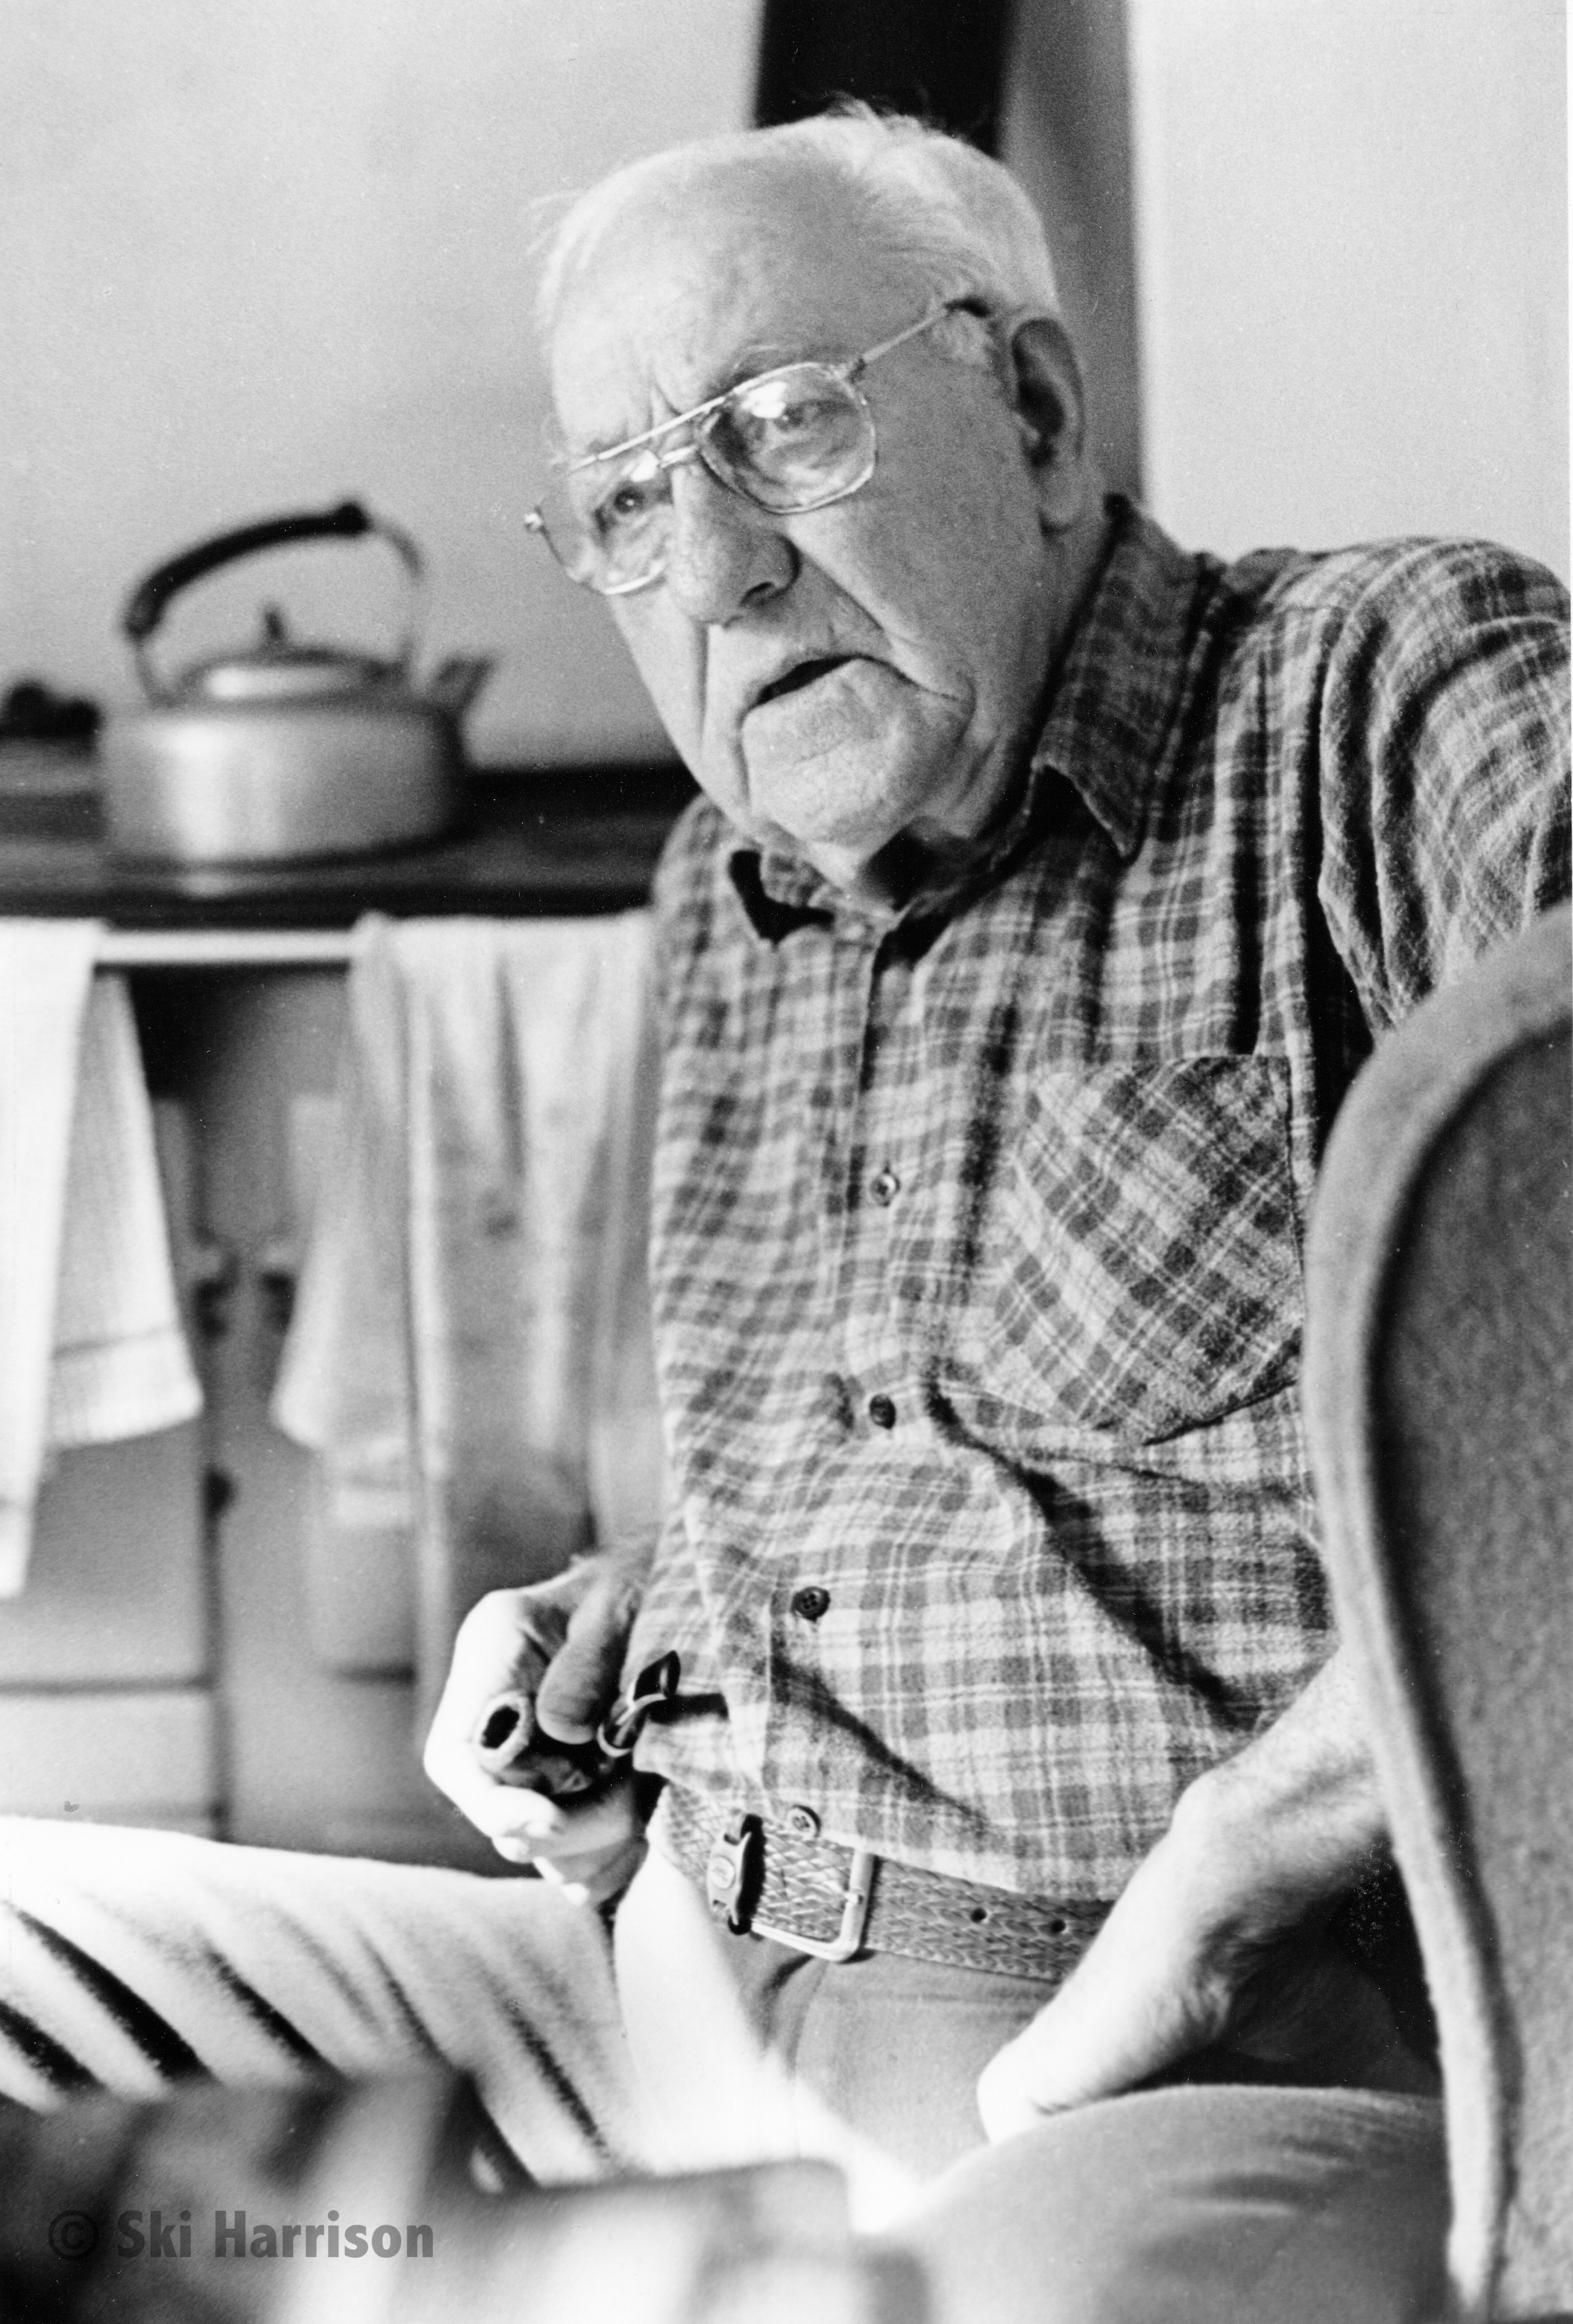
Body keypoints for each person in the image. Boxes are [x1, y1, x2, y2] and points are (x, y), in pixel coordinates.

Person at [1, 106, 1567, 2296]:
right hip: (640, 2015)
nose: (717, 566)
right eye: (632, 500)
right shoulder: (722, 891)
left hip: (1170, 2067)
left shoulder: (1373, 698)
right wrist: (626, 1624)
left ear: (1031, 412)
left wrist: (1230, 1864)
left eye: (785, 429)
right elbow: (931, 1469)